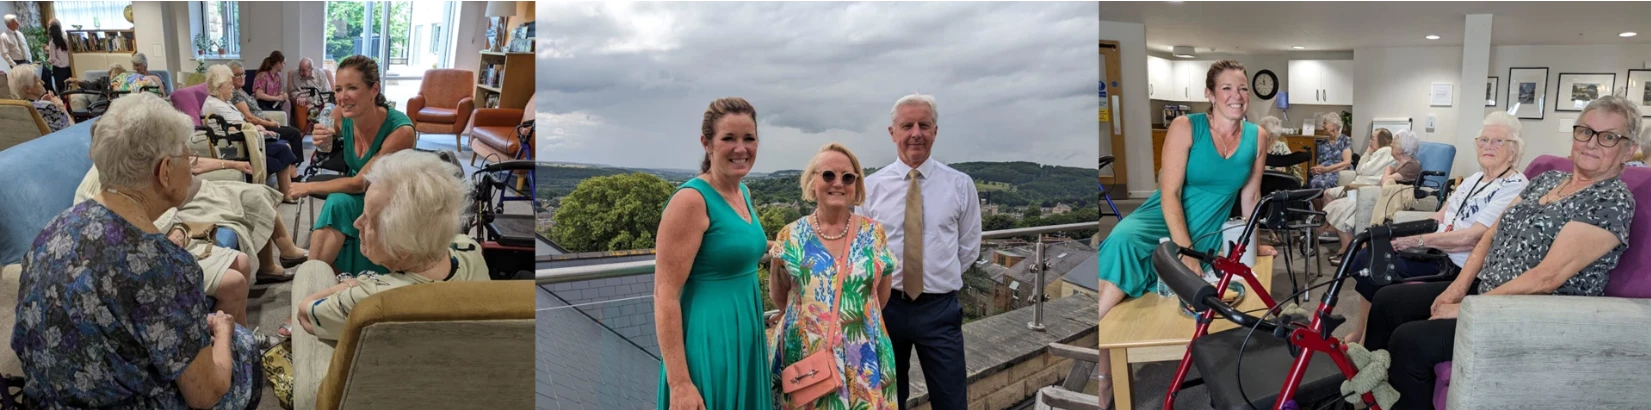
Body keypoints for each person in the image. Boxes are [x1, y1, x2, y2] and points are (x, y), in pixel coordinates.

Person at [1364, 96, 1641, 409]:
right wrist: (1457, 289)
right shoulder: (1548, 179)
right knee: (1388, 301)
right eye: (1585, 131)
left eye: (1608, 137)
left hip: (1530, 314)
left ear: (1628, 150)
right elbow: (1491, 233)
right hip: (1488, 291)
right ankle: (1369, 392)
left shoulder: (1611, 202)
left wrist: (1468, 308)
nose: (1591, 143)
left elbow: (1546, 277)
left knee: (1409, 341)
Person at [11, 93, 260, 409]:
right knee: (242, 345)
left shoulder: (52, 229)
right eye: (188, 156)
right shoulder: (163, 263)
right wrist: (225, 332)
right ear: (165, 170)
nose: (193, 167)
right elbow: (205, 394)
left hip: (45, 400)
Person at [1093, 60, 1271, 408]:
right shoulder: (1186, 127)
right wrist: (1185, 253)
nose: (1237, 96)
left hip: (1207, 228)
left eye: (1243, 88)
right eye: (1227, 88)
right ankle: (1104, 376)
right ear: (1210, 94)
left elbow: (1251, 197)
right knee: (1122, 244)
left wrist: (1256, 244)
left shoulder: (1257, 137)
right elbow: (1170, 192)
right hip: (1162, 218)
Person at [1341, 112, 1530, 343]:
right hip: (1437, 252)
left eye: (1498, 141)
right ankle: (1362, 331)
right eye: (1483, 140)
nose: (1488, 146)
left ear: (1514, 150)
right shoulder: (1474, 179)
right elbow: (1438, 217)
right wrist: (1401, 234)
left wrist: (1416, 241)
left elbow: (1474, 237)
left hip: (1457, 266)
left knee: (1376, 268)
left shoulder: (1514, 186)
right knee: (1368, 255)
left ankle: (1366, 341)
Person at [858, 93, 981, 410]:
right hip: (886, 308)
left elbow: (968, 248)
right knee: (887, 400)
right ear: (892, 132)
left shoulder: (960, 185)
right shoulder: (871, 189)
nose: (916, 133)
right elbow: (863, 251)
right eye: (907, 125)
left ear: (935, 131)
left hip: (939, 310)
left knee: (952, 401)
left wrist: (937, 277)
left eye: (924, 125)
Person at [653, 97, 771, 410]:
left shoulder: (741, 191)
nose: (741, 148)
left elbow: (742, 247)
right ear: (707, 143)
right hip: (709, 341)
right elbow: (665, 295)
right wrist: (679, 383)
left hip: (745, 335)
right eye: (728, 138)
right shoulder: (691, 200)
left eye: (749, 138)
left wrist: (796, 246)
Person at [295, 150, 489, 340]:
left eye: (369, 219)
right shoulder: (470, 249)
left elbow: (306, 311)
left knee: (311, 272)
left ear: (402, 245)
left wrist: (352, 283)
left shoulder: (372, 300)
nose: (357, 223)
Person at [769, 143, 898, 408]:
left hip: (863, 356)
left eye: (847, 177)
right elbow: (781, 296)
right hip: (806, 358)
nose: (838, 183)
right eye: (828, 175)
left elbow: (879, 297)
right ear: (813, 181)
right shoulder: (790, 236)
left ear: (856, 185)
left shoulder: (875, 234)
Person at [286, 55, 416, 276]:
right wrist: (323, 136)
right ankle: (314, 286)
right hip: (359, 195)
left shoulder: (400, 131)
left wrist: (307, 186)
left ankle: (309, 289)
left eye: (352, 88)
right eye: (338, 89)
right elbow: (326, 141)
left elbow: (360, 183)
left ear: (374, 89)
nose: (342, 97)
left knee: (337, 204)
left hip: (390, 200)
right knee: (337, 209)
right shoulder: (340, 114)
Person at [1322, 129, 1422, 262]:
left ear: (1402, 148)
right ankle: (1348, 249)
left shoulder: (1412, 165)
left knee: (1343, 209)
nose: (1391, 144)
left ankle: (1349, 252)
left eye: (1395, 143)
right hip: (1381, 196)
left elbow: (1385, 182)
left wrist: (1387, 171)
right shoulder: (1399, 163)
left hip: (1389, 202)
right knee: (1338, 207)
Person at [203, 64, 299, 198]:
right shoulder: (215, 105)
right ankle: (286, 192)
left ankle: (286, 191)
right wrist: (257, 129)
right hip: (237, 147)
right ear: (219, 87)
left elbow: (237, 123)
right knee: (283, 147)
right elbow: (233, 127)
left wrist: (259, 130)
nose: (232, 87)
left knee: (284, 144)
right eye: (229, 84)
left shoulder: (224, 101)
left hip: (245, 139)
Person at [229, 61, 304, 165]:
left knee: (292, 131)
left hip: (263, 122)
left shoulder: (241, 90)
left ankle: (293, 166)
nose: (242, 77)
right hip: (258, 127)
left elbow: (256, 111)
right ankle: (293, 170)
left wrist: (269, 119)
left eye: (243, 74)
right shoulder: (235, 94)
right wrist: (270, 124)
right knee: (294, 133)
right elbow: (249, 118)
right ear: (229, 77)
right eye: (237, 75)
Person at [7, 64, 72, 132]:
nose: (43, 82)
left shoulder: (18, 108)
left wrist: (41, 102)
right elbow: (73, 130)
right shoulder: (47, 107)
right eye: (37, 80)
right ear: (28, 89)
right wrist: (61, 107)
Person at [1309, 112, 1354, 191]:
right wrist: (1316, 169)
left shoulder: (1345, 140)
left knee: (1322, 183)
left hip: (1338, 172)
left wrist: (1327, 169)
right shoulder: (1322, 143)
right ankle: (1323, 203)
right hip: (1323, 172)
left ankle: (1327, 202)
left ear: (1333, 126)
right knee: (1312, 183)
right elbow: (1319, 162)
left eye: (1325, 123)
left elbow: (1347, 162)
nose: (1323, 126)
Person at [287, 57, 333, 131]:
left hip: (321, 103)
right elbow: (293, 91)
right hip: (306, 105)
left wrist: (314, 104)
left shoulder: (320, 74)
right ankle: (320, 131)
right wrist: (299, 96)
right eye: (299, 69)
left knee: (328, 114)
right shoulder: (295, 74)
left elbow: (326, 93)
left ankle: (327, 134)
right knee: (314, 113)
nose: (300, 73)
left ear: (311, 69)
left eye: (303, 70)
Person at [43, 19, 69, 94]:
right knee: (68, 88)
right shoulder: (65, 40)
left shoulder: (52, 43)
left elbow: (53, 59)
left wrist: (47, 60)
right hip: (67, 68)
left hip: (59, 70)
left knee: (61, 90)